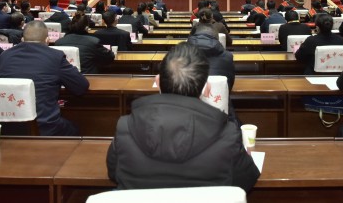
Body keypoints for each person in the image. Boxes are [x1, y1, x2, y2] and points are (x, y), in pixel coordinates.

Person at [106, 43, 259, 191]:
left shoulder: (125, 127)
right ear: (207, 88)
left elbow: (113, 172)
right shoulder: (228, 134)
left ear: (157, 82)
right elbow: (246, 179)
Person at [0, 21, 89, 136]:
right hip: (46, 126)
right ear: (47, 40)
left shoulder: (5, 55)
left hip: (10, 126)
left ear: (22, 39)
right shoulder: (55, 56)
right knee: (75, 128)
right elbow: (81, 87)